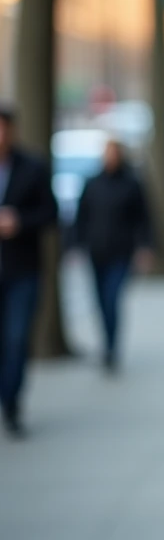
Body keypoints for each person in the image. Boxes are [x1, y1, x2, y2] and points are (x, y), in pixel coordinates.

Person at [0, 104, 57, 438]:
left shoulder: (32, 167)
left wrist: (19, 221)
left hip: (23, 270)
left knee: (18, 338)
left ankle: (12, 402)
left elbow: (49, 212)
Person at [73, 139, 152, 372]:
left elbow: (144, 218)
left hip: (121, 252)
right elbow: (81, 216)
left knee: (112, 298)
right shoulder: (92, 183)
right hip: (96, 252)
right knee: (99, 301)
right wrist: (76, 244)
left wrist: (145, 247)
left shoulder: (131, 184)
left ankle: (111, 347)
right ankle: (105, 342)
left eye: (114, 153)